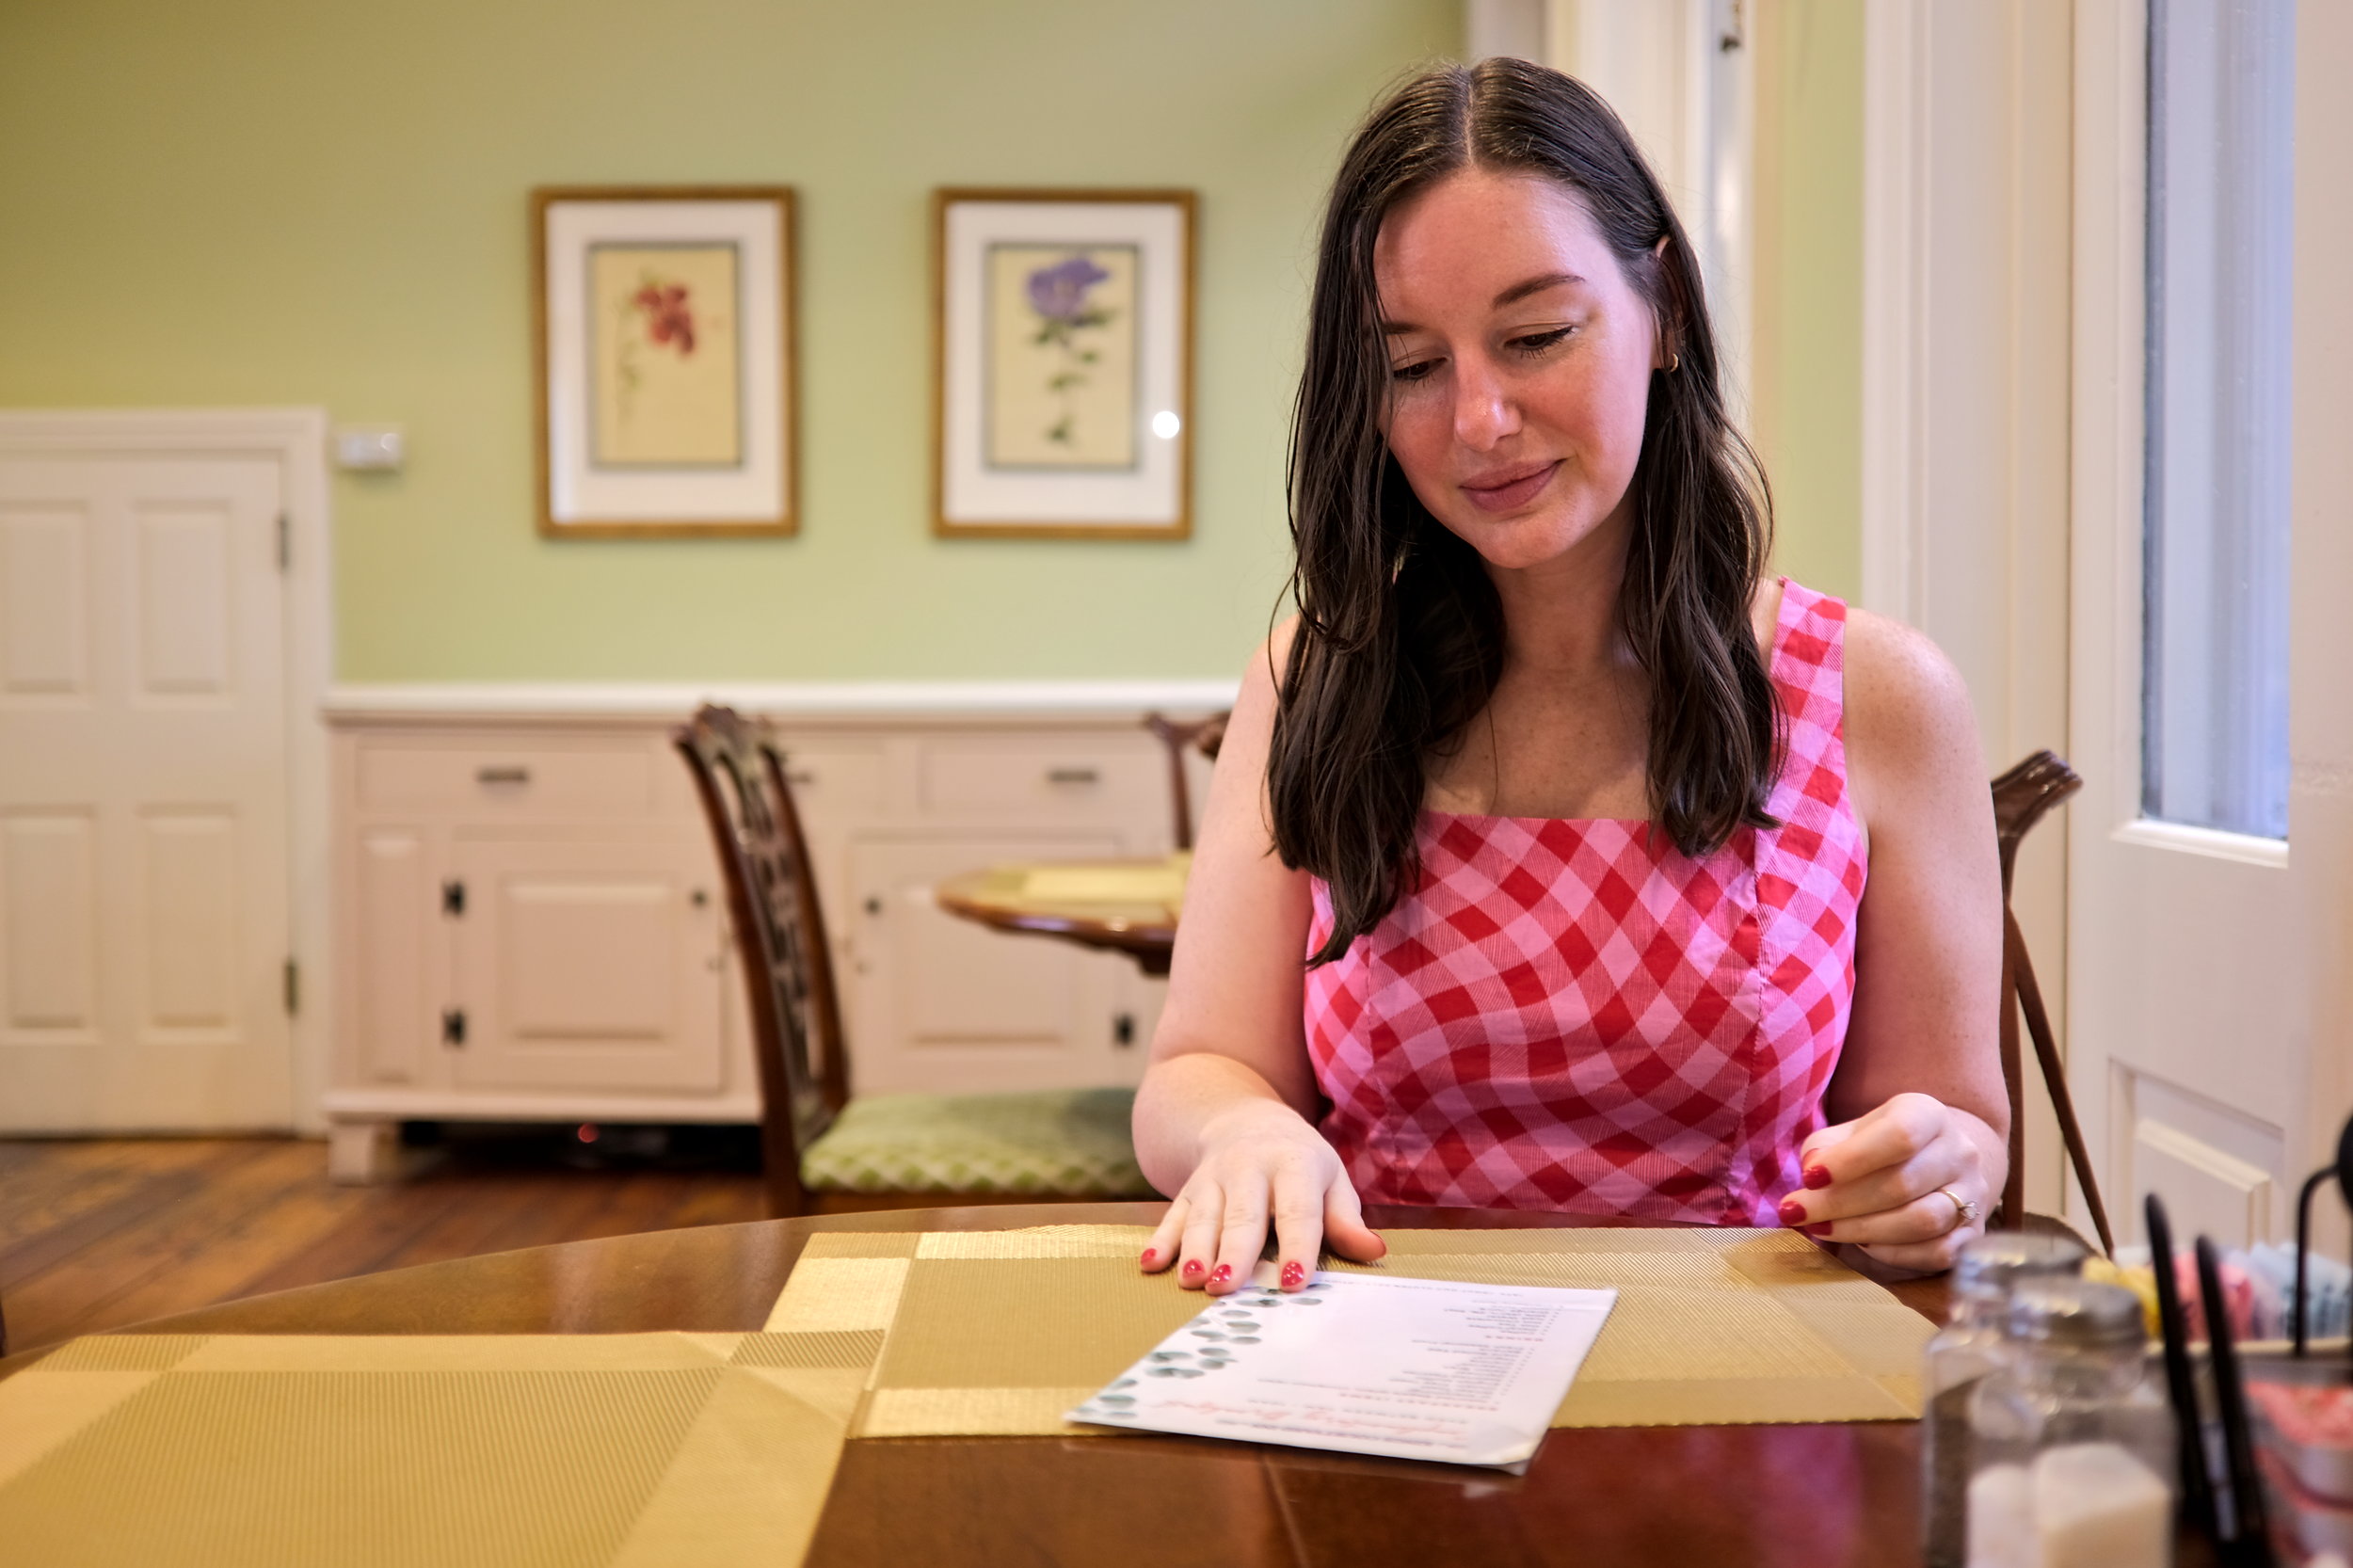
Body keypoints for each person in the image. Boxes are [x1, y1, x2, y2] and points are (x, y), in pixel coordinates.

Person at [1132, 56, 2009, 1298]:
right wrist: (1245, 1127)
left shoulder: (1878, 693)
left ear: (1666, 313)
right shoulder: (1318, 678)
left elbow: (1959, 1120)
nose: (1479, 419)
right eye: (1414, 365)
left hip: (1750, 1392)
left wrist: (1942, 1164)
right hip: (1377, 1370)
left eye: (1536, 335)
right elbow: (1196, 1067)